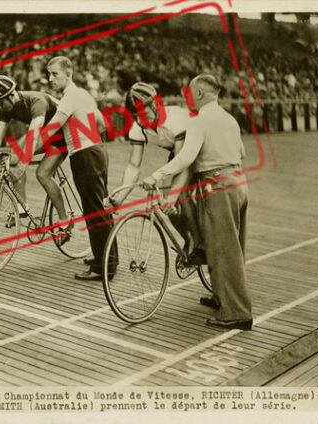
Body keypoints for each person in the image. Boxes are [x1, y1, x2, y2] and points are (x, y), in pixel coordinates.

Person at [143, 74, 252, 331]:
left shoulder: (199, 120)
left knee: (222, 250)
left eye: (189, 93)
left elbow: (185, 158)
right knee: (232, 246)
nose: (186, 97)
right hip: (238, 182)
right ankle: (222, 297)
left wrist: (156, 175)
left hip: (217, 185)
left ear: (200, 94)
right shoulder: (229, 119)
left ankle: (236, 313)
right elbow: (243, 153)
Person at [0, 75, 72, 239]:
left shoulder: (36, 100)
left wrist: (23, 162)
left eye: (1, 103)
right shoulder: (6, 107)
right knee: (11, 158)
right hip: (44, 132)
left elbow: (35, 132)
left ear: (11, 95)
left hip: (65, 132)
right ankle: (21, 208)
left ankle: (65, 222)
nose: (0, 107)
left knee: (42, 174)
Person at [109, 82, 204, 262]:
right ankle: (189, 238)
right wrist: (120, 196)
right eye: (136, 117)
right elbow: (133, 164)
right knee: (165, 203)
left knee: (178, 195)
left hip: (198, 150)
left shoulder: (176, 119)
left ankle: (200, 246)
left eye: (145, 115)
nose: (141, 121)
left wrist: (173, 196)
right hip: (177, 153)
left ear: (156, 105)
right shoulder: (138, 127)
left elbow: (184, 162)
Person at [43, 56, 117, 281]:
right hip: (97, 151)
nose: (50, 79)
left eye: (55, 74)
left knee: (94, 211)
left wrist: (23, 153)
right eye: (48, 74)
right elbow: (103, 125)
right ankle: (105, 259)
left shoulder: (69, 98)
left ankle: (102, 268)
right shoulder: (83, 94)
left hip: (84, 156)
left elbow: (49, 130)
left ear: (69, 73)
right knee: (100, 209)